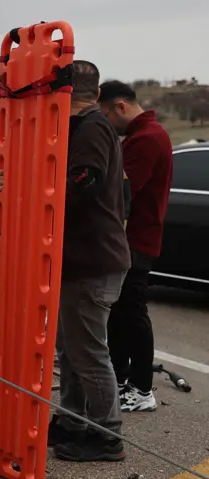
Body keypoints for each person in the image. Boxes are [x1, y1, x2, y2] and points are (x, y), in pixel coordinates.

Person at [0, 60, 130, 462]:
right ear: (98, 92)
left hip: (95, 261)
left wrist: (24, 187)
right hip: (80, 260)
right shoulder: (70, 129)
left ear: (60, 92)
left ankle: (108, 436)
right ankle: (73, 422)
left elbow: (79, 186)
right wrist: (14, 178)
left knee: (88, 353)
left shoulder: (91, 129)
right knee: (71, 350)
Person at [98, 80, 173, 413]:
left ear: (120, 107)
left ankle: (142, 389)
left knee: (132, 313)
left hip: (136, 240)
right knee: (119, 314)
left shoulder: (147, 139)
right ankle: (121, 378)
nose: (107, 125)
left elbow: (121, 193)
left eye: (105, 115)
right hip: (131, 240)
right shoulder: (143, 136)